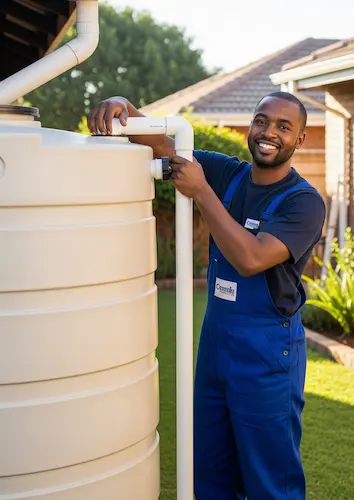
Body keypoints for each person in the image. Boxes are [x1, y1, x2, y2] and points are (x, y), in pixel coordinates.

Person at [87, 91, 326, 500]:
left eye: (283, 127)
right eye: (261, 121)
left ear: (300, 139)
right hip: (216, 344)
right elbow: (166, 144)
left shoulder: (304, 203)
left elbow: (251, 258)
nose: (269, 132)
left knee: (270, 481)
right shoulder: (228, 174)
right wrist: (125, 108)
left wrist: (201, 193)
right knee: (209, 474)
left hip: (267, 354)